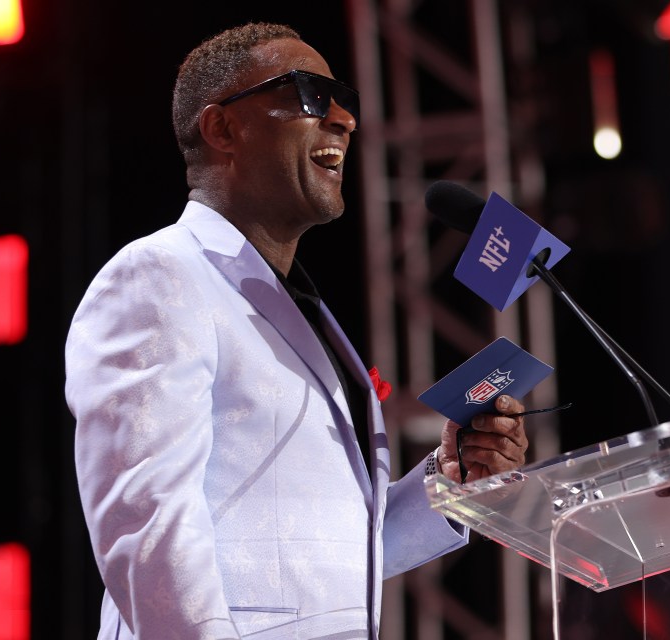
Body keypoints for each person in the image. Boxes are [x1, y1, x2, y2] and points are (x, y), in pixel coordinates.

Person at [65, 22, 529, 640]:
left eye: (348, 101)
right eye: (310, 94)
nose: (343, 119)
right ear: (222, 128)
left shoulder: (303, 310)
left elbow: (321, 558)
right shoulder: (158, 277)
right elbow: (148, 528)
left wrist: (450, 481)